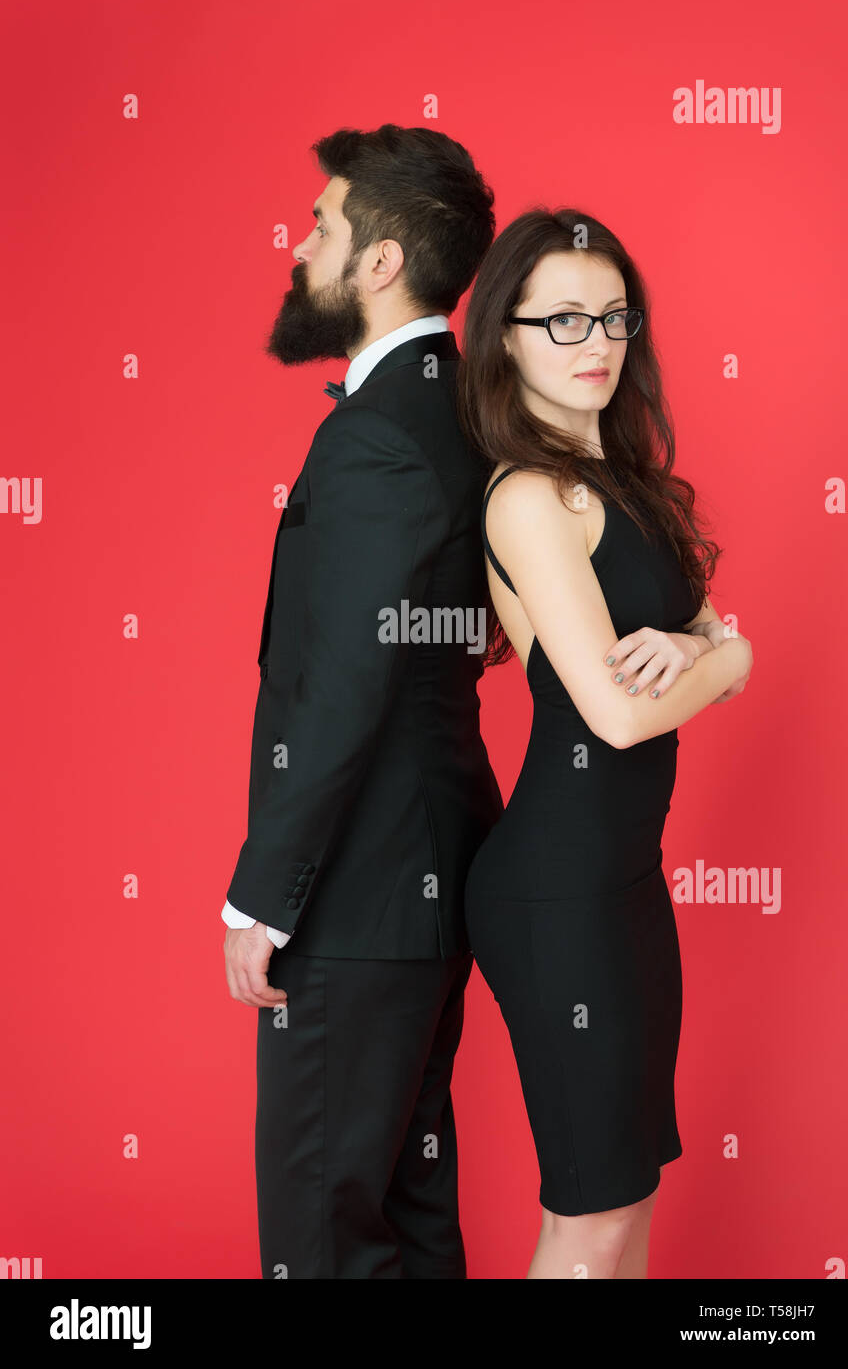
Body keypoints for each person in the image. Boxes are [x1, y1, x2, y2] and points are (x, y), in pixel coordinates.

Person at [221, 125, 503, 1278]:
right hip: (426, 882)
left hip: (358, 895)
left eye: (324, 226)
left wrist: (262, 896)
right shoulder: (464, 415)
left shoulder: (376, 437)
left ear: (380, 262)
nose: (301, 244)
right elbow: (457, 632)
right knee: (409, 1210)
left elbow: (343, 686)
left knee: (325, 1233)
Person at [458, 207, 753, 1279]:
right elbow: (623, 711)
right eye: (564, 320)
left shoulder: (625, 484)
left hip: (625, 883)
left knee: (628, 1200)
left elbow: (704, 636)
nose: (597, 343)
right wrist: (726, 661)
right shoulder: (531, 498)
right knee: (589, 1214)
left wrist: (702, 648)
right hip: (555, 892)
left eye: (614, 318)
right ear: (504, 336)